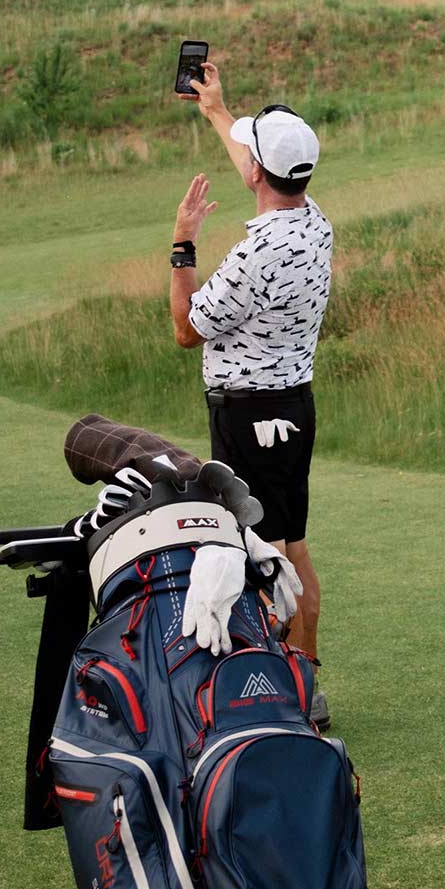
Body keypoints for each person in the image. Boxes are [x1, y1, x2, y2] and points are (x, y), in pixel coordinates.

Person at [170, 61, 335, 729]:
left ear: (261, 175)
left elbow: (186, 328)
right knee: (291, 547)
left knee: (258, 557)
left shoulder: (255, 253)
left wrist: (182, 242)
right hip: (294, 407)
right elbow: (259, 167)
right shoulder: (313, 220)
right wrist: (216, 109)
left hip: (248, 416)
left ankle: (280, 695)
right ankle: (308, 684)